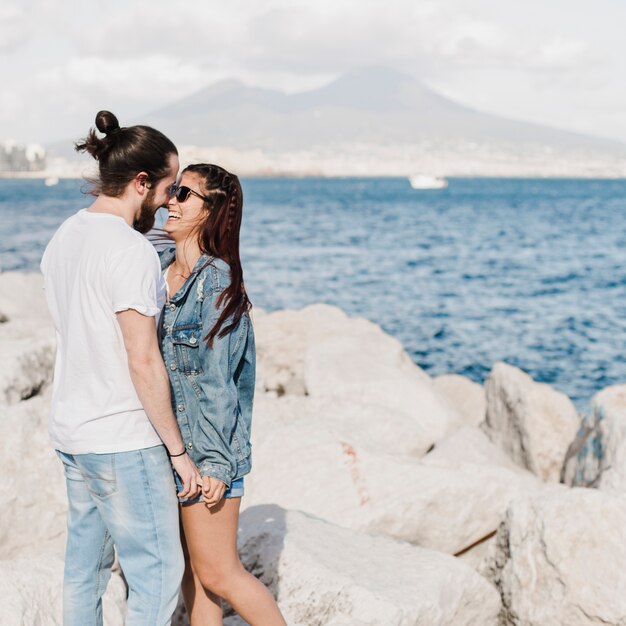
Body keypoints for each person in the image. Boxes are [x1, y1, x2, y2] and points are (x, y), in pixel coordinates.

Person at [40, 110, 201, 626]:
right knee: (155, 572)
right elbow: (142, 358)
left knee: (83, 569)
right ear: (140, 182)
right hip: (121, 438)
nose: (172, 200)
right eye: (172, 187)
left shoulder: (65, 236)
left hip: (72, 431)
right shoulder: (130, 251)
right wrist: (177, 452)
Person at [158, 164, 287, 625]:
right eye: (171, 190)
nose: (170, 200)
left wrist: (213, 462)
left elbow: (217, 385)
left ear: (210, 211)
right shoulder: (157, 268)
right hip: (170, 452)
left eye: (183, 194)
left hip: (207, 454)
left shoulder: (214, 281)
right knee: (196, 576)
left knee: (220, 572)